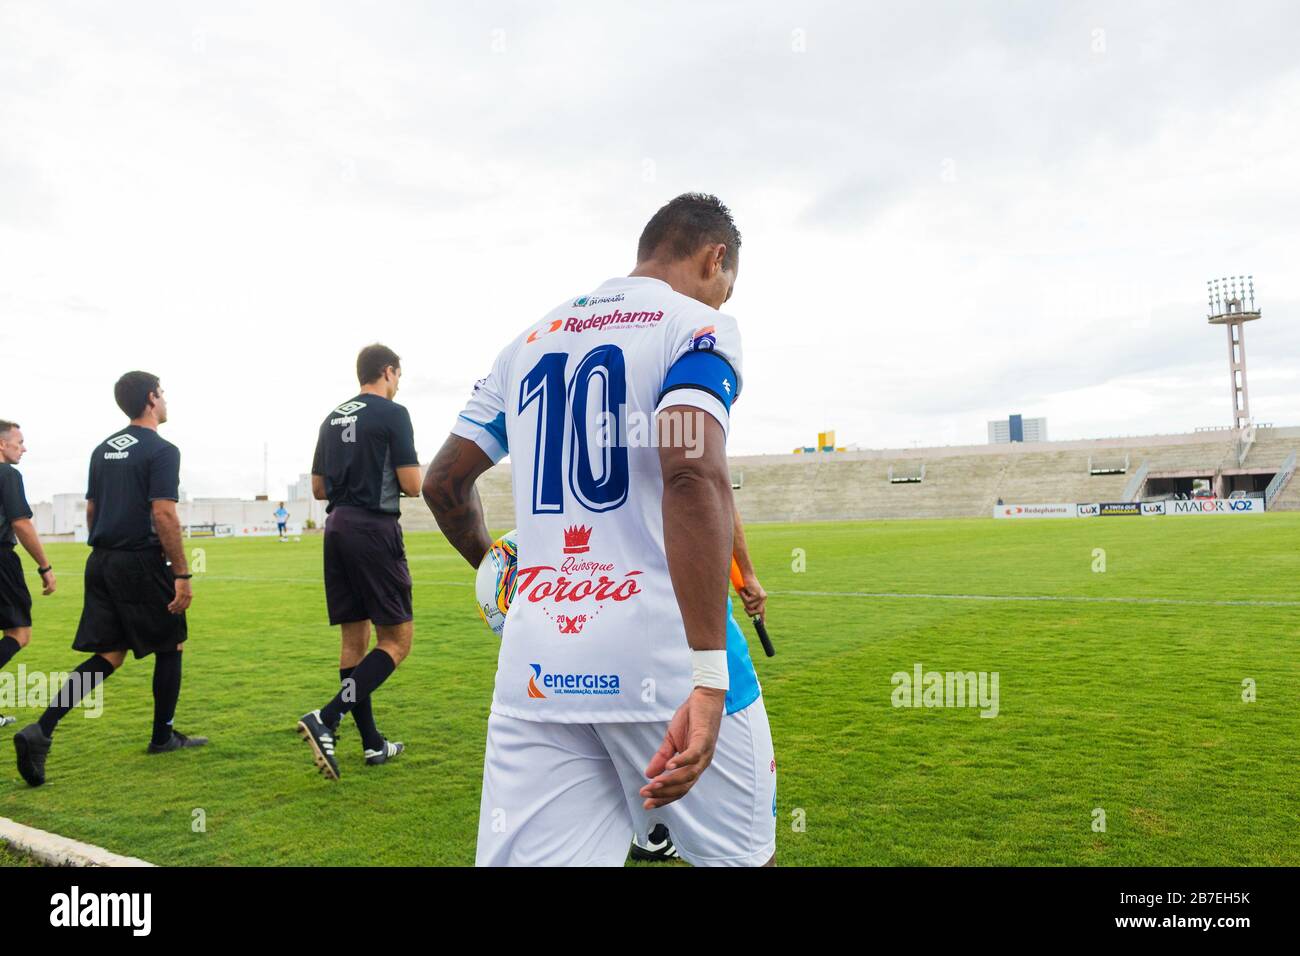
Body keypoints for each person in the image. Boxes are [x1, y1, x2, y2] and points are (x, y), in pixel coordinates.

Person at [425, 193, 776, 866]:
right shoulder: (695, 328)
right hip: (666, 658)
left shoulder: (528, 341)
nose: (725, 300)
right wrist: (707, 674)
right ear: (716, 257)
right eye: (728, 285)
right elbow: (692, 470)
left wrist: (506, 573)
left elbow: (442, 484)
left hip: (540, 663)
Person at [13, 373, 206, 787]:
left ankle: (41, 730)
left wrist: (107, 550)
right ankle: (162, 737)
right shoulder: (162, 449)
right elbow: (164, 514)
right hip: (139, 561)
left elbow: (91, 510)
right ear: (152, 399)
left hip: (101, 561)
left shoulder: (103, 450)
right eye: (164, 392)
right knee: (171, 643)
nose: (166, 400)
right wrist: (182, 574)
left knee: (110, 655)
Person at [296, 344, 420, 779]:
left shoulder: (332, 417)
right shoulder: (393, 412)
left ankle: (372, 744)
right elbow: (413, 482)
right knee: (397, 640)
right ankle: (327, 717)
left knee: (354, 643)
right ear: (388, 371)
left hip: (337, 529)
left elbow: (316, 488)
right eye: (399, 375)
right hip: (373, 530)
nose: (399, 383)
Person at [630, 502, 769, 862]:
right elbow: (706, 485)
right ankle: (655, 832)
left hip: (569, 670)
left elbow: (458, 485)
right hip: (693, 646)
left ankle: (651, 834)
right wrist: (748, 574)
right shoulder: (682, 445)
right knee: (749, 855)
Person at [0, 420, 57, 727]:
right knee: (19, 634)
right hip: (1, 562)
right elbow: (21, 524)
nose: (24, 448)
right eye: (19, 442)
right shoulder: (7, 474)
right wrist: (45, 566)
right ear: (1, 445)